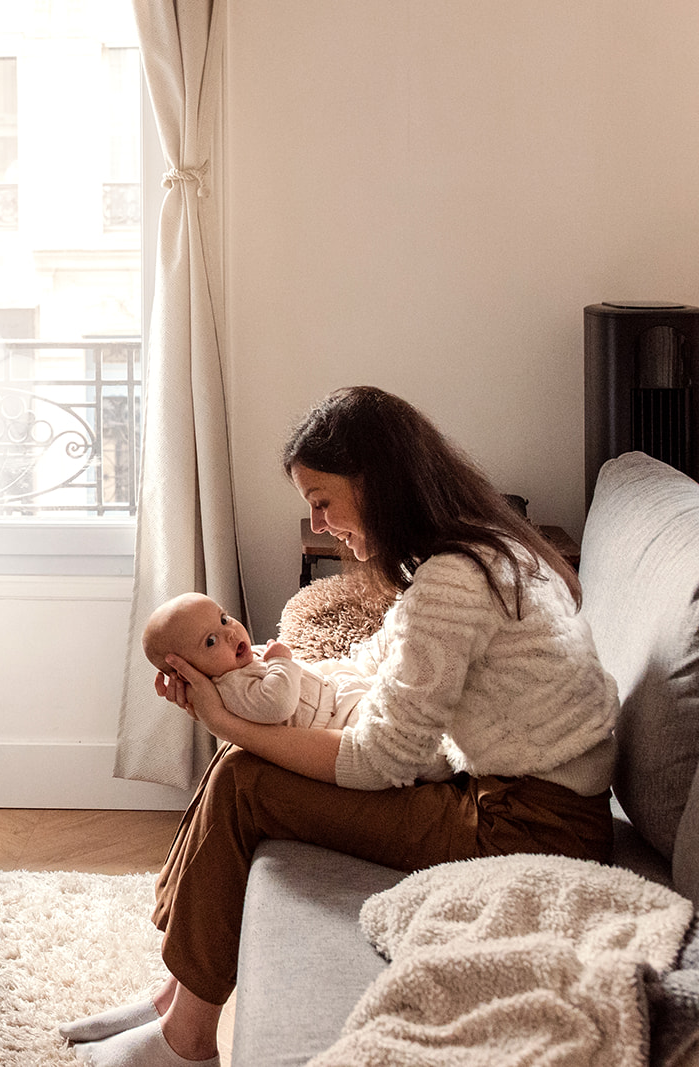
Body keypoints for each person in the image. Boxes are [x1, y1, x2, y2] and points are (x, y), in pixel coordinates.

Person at [61, 386, 618, 1067]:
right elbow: (370, 662)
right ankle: (175, 995)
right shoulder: (476, 551)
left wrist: (226, 720)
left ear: (376, 480)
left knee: (243, 778)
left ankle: (186, 1040)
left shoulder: (454, 581)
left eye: (323, 500)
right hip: (524, 802)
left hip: (530, 826)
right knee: (240, 760)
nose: (320, 525)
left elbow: (380, 758)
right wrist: (254, 680)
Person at [141, 593, 369, 729]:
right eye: (211, 641)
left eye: (224, 619)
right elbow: (278, 705)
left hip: (333, 693)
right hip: (335, 720)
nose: (230, 633)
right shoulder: (230, 689)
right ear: (186, 671)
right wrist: (280, 660)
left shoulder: (237, 662)